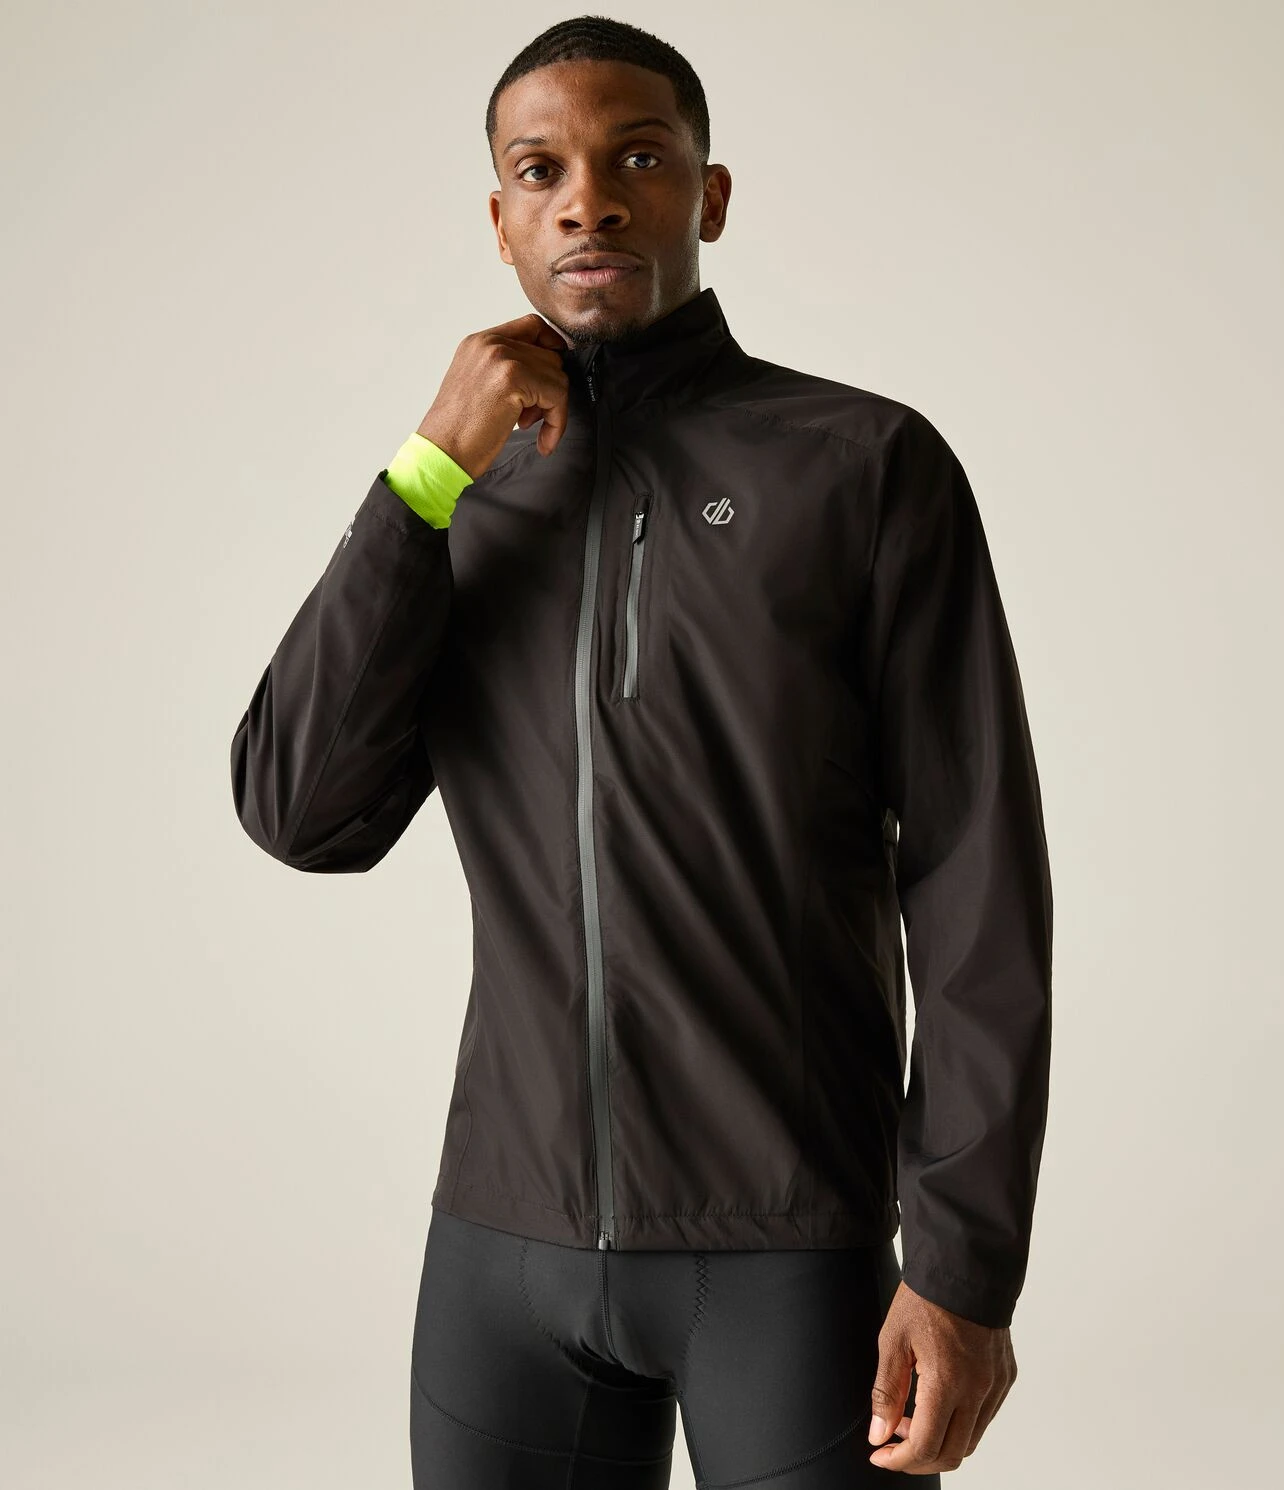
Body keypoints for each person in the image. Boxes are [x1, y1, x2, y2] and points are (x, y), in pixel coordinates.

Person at [229, 15, 1054, 1488]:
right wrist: (422, 477)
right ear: (499, 219)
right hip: (502, 1249)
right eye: (540, 170)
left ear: (709, 196)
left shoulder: (860, 465)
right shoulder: (462, 499)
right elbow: (301, 811)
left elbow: (975, 880)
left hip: (787, 1248)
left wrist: (964, 1265)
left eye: (639, 160)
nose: (588, 203)